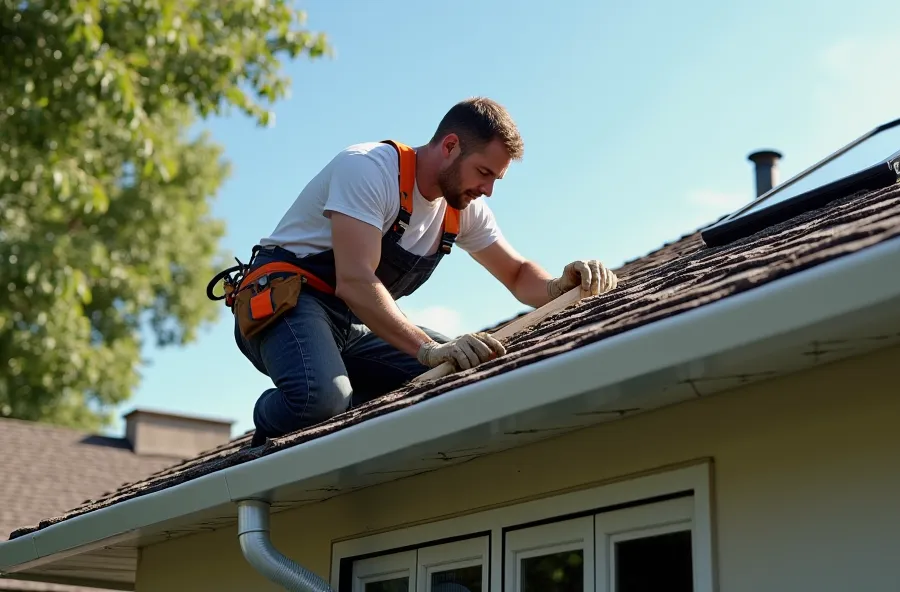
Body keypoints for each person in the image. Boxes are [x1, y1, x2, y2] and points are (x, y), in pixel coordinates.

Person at [224, 97, 618, 447]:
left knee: (456, 374)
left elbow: (515, 274)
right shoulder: (368, 170)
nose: (488, 190)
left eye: (496, 179)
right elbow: (356, 280)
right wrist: (426, 349)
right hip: (287, 304)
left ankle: (344, 400)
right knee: (320, 401)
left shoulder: (461, 208)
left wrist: (557, 285)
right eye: (483, 173)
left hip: (353, 323)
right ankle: (279, 414)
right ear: (450, 146)